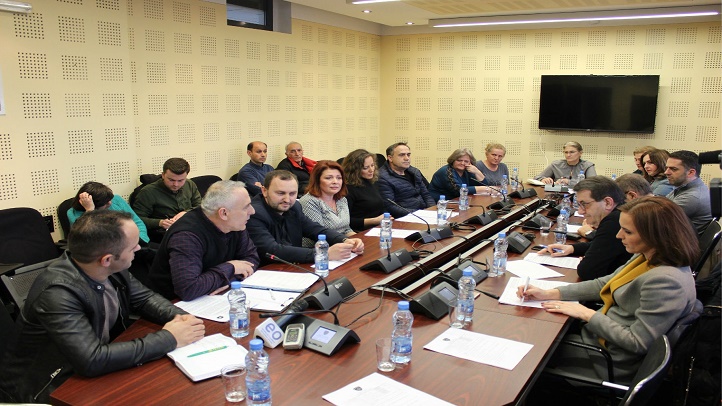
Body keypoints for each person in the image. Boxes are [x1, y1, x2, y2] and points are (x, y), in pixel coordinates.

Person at [0, 211, 205, 403]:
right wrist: (170, 338)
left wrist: (182, 319)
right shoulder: (57, 293)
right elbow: (91, 360)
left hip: (89, 365)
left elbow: (144, 298)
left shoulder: (105, 267)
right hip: (49, 387)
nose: (138, 249)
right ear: (106, 259)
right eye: (132, 246)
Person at [520, 196, 698, 384]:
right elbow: (605, 284)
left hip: (607, 360)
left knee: (529, 350)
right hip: (597, 339)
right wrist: (552, 293)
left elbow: (637, 342)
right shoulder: (647, 256)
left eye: (627, 231)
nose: (619, 235)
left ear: (655, 235)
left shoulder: (666, 281)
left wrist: (586, 313)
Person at [150, 180, 259, 301]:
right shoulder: (186, 236)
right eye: (246, 207)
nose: (252, 211)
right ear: (223, 213)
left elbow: (252, 259)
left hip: (212, 296)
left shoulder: (234, 224)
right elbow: (188, 289)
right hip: (174, 303)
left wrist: (229, 280)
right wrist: (230, 268)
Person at [247, 170, 364, 266]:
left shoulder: (294, 207)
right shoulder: (253, 213)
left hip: (294, 267)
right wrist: (323, 253)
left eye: (292, 194)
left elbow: (316, 229)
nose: (287, 199)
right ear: (264, 191)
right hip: (267, 271)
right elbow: (272, 250)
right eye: (280, 193)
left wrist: (344, 240)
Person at [540, 176, 632, 280]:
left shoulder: (614, 221)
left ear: (608, 203)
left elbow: (588, 271)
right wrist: (573, 248)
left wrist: (586, 262)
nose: (580, 211)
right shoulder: (620, 212)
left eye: (584, 204)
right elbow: (602, 243)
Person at [132, 157, 202, 242]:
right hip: (164, 234)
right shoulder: (148, 192)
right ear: (163, 175)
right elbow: (136, 219)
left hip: (190, 226)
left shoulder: (190, 184)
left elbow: (201, 206)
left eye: (180, 180)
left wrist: (187, 213)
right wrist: (160, 222)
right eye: (171, 180)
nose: (176, 184)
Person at [67, 181, 149, 244]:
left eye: (110, 199)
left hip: (135, 242)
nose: (110, 203)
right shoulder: (73, 214)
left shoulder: (116, 199)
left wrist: (141, 241)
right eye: (105, 203)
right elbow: (91, 237)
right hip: (111, 249)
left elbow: (137, 222)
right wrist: (90, 211)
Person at [299, 160, 355, 247]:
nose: (335, 181)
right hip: (318, 250)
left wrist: (359, 239)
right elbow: (318, 235)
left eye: (339, 178)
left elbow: (346, 229)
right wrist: (346, 241)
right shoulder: (309, 201)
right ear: (317, 180)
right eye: (329, 178)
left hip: (343, 244)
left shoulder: (342, 199)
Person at [377, 142, 435, 218]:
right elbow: (390, 207)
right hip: (405, 217)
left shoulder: (414, 172)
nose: (407, 158)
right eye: (402, 155)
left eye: (408, 155)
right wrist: (420, 214)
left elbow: (426, 195)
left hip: (423, 214)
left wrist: (432, 210)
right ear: (390, 158)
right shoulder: (382, 177)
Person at [665, 150, 713, 235]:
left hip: (678, 242)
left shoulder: (692, 197)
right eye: (667, 168)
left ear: (691, 172)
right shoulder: (684, 187)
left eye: (673, 169)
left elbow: (656, 219)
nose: (666, 172)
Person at [342, 149, 386, 231]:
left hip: (376, 228)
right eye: (365, 168)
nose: (371, 170)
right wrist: (374, 221)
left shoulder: (371, 182)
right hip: (358, 231)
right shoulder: (348, 189)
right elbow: (345, 221)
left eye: (372, 165)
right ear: (354, 170)